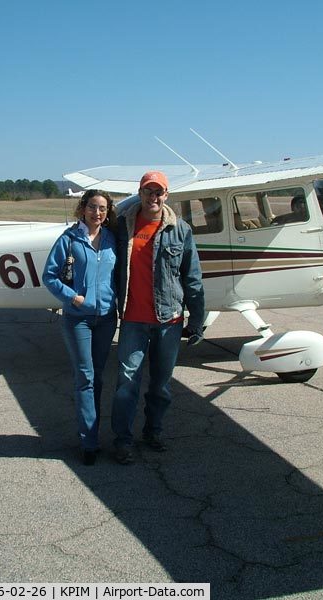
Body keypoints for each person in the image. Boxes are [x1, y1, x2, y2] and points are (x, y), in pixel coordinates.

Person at [111, 171, 205, 465]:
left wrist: (197, 320)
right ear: (140, 193)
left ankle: (153, 431)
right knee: (126, 383)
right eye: (148, 191)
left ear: (166, 196)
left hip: (169, 320)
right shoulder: (121, 227)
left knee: (160, 385)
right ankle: (123, 441)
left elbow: (193, 278)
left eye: (159, 192)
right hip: (133, 320)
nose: (154, 197)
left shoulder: (181, 230)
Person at [43, 190, 118, 466]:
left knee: (98, 377)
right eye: (92, 207)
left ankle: (93, 433)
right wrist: (73, 297)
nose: (97, 213)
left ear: (108, 212)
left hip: (107, 318)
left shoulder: (112, 240)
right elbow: (49, 276)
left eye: (102, 208)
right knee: (85, 377)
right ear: (83, 209)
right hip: (78, 318)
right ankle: (89, 442)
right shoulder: (69, 239)